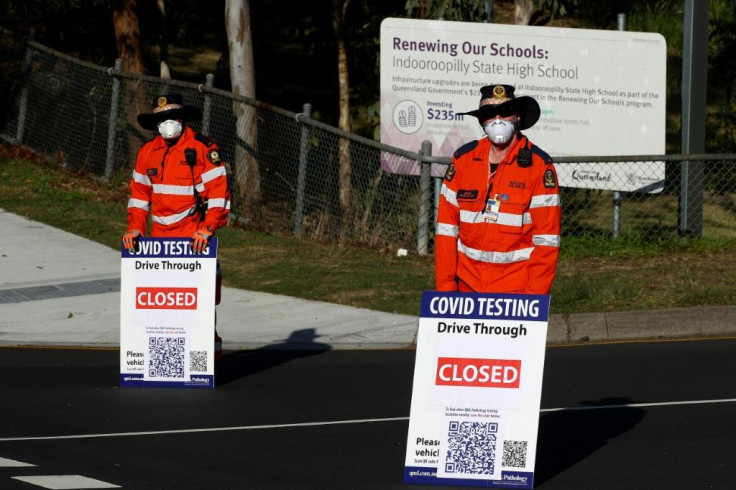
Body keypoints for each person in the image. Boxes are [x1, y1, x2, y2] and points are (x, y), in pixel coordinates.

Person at [122, 93, 231, 359]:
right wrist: (135, 228)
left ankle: (207, 359)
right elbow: (139, 197)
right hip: (158, 239)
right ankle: (165, 358)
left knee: (201, 299)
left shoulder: (204, 148)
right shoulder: (147, 153)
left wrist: (208, 227)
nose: (167, 123)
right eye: (161, 119)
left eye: (171, 118)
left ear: (181, 119)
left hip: (194, 235)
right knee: (163, 300)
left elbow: (219, 194)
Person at [435, 84, 561, 294]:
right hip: (466, 288)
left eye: (505, 113)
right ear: (482, 121)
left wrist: (533, 298)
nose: (497, 120)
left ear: (518, 117)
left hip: (517, 292)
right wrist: (446, 289)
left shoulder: (538, 166)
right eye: (489, 114)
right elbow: (446, 232)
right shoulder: (462, 161)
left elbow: (547, 240)